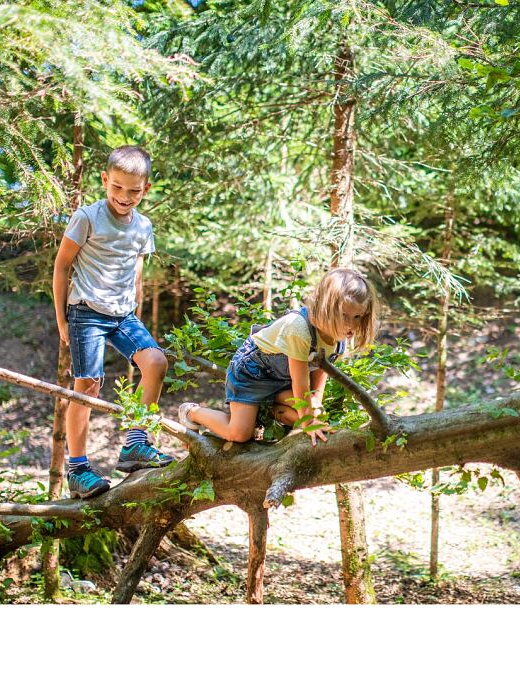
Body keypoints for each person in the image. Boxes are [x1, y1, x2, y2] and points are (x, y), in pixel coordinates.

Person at [53, 145, 172, 500]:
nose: (124, 196)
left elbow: (135, 266)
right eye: (117, 187)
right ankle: (77, 469)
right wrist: (61, 318)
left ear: (146, 189)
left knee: (156, 362)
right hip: (86, 312)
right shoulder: (87, 217)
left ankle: (135, 444)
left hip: (122, 314)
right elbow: (62, 266)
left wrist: (134, 302)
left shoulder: (143, 226)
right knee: (87, 385)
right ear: (105, 180)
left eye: (133, 190)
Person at [177, 268, 378, 445]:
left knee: (314, 412)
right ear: (326, 307)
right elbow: (301, 385)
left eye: (357, 317)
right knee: (239, 434)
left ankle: (269, 409)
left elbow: (317, 377)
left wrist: (317, 413)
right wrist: (309, 423)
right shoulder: (299, 328)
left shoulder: (339, 338)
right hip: (253, 374)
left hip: (282, 383)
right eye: (344, 315)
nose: (351, 325)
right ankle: (191, 412)